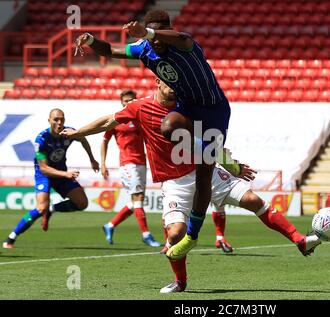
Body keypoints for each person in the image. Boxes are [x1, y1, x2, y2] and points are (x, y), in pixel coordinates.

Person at [60, 78, 322, 293]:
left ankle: (299, 240)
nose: (173, 87)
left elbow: (209, 142)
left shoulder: (188, 107)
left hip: (205, 171)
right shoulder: (139, 108)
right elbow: (108, 121)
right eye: (167, 82)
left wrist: (232, 165)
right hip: (174, 184)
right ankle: (181, 282)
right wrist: (77, 133)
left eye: (177, 82)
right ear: (157, 82)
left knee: (254, 200)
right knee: (175, 235)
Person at [74, 9, 237, 259]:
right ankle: (191, 235)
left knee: (205, 177)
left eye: (159, 35)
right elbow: (110, 51)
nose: (156, 42)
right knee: (168, 126)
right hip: (187, 109)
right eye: (152, 38)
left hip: (214, 110)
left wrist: (149, 32)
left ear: (165, 30)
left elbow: (183, 38)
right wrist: (91, 40)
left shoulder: (184, 45)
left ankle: (194, 231)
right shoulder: (143, 49)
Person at [2, 109, 99, 249]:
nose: (59, 123)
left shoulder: (69, 132)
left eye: (62, 120)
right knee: (41, 208)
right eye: (56, 119)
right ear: (49, 120)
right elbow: (43, 168)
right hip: (45, 175)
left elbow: (83, 138)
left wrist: (92, 159)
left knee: (82, 203)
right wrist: (65, 174)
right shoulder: (41, 139)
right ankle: (11, 237)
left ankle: (52, 209)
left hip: (61, 174)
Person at [101, 90, 160, 247]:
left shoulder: (140, 117)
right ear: (121, 102)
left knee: (136, 202)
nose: (128, 103)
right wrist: (103, 163)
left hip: (141, 162)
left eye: (131, 100)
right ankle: (146, 235)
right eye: (125, 100)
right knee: (138, 199)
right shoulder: (117, 119)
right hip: (127, 163)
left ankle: (110, 225)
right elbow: (104, 141)